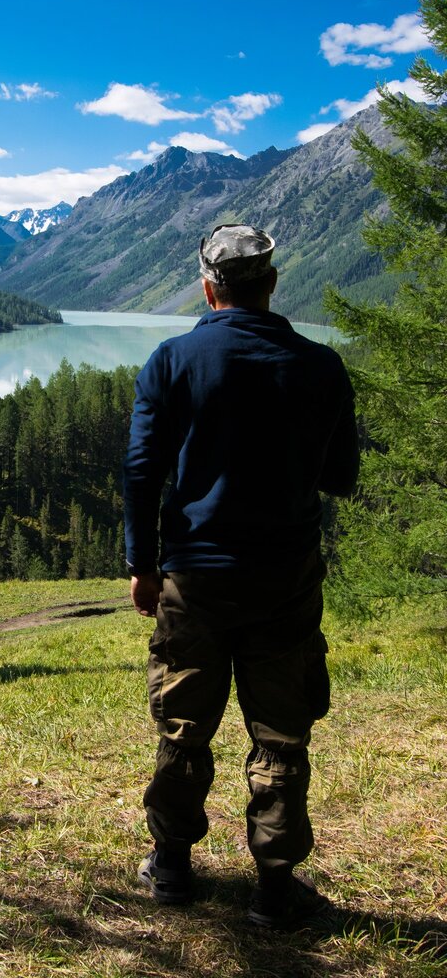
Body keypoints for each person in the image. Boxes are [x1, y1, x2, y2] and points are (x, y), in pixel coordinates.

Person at [122, 223, 360, 929]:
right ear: (272, 282)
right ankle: (277, 888)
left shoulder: (172, 359)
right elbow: (341, 477)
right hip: (285, 578)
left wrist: (141, 565)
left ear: (208, 285)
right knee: (281, 734)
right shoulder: (319, 366)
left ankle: (170, 867)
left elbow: (142, 472)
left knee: (184, 725)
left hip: (193, 577)